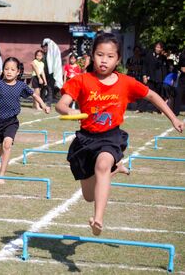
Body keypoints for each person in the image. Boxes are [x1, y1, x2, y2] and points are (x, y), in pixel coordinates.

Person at [56, 33, 184, 236]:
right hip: (86, 139)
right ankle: (115, 169)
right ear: (92, 55)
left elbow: (151, 95)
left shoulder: (126, 82)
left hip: (110, 137)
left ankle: (98, 218)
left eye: (109, 56)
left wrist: (174, 118)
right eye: (99, 55)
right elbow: (61, 104)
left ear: (118, 59)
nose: (104, 60)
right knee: (89, 195)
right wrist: (68, 111)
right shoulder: (81, 80)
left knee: (103, 164)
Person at [0, 57, 50, 184]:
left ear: (18, 72)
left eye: (12, 69)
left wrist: (44, 105)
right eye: (6, 69)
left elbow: (35, 95)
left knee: (7, 144)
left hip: (11, 121)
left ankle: (1, 175)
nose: (9, 72)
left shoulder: (21, 85)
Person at [137, 42, 168, 113]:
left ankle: (158, 109)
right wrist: (144, 75)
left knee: (158, 95)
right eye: (157, 47)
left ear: (162, 49)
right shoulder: (149, 55)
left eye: (160, 48)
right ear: (155, 47)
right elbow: (144, 65)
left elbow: (165, 69)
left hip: (160, 79)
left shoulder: (163, 58)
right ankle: (140, 108)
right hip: (150, 77)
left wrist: (165, 80)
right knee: (146, 92)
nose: (158, 49)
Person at [173, 50, 185, 116]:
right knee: (178, 93)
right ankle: (175, 112)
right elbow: (179, 65)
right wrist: (181, 68)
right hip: (182, 78)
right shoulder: (182, 54)